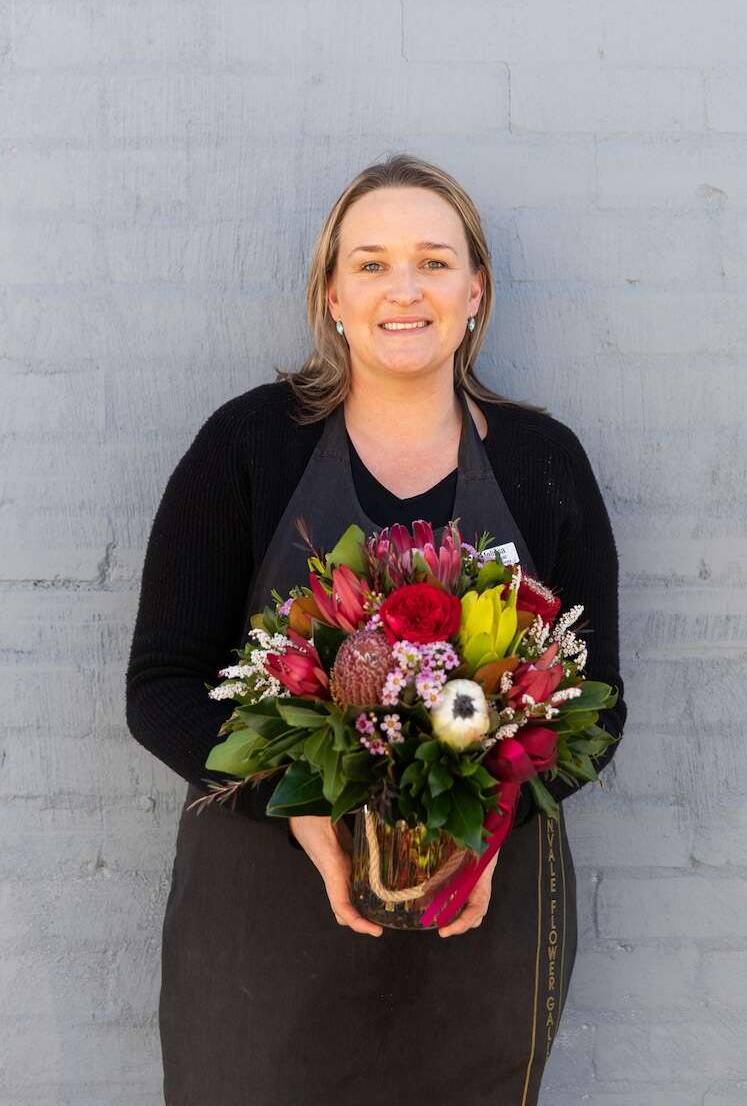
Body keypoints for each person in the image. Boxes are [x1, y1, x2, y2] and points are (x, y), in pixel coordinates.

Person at [126, 152, 627, 1106]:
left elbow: (600, 709)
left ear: (475, 291)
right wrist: (296, 809)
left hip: (481, 924)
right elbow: (160, 686)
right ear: (332, 294)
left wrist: (484, 831)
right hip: (263, 921)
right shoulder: (247, 445)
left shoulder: (542, 461)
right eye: (371, 263)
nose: (406, 289)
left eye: (435, 262)